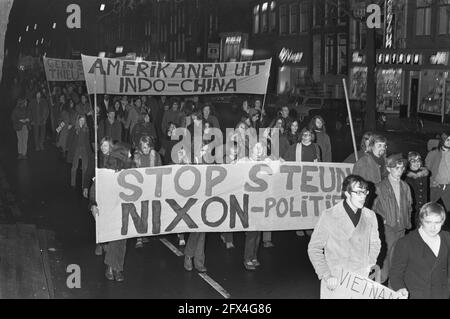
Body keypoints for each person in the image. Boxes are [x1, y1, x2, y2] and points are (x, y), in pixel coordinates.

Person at [308, 175, 382, 299]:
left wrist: (369, 264)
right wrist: (326, 275)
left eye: (365, 192)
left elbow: (375, 243)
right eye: (358, 192)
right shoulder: (329, 216)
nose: (363, 196)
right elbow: (314, 248)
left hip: (360, 281)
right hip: (336, 280)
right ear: (347, 193)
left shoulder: (370, 216)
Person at [89, 142, 133, 282]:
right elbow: (95, 189)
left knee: (122, 240)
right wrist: (93, 204)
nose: (131, 155)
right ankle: (113, 267)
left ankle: (116, 267)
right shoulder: (106, 173)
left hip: (125, 209)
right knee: (115, 238)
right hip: (110, 209)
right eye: (128, 154)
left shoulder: (131, 172)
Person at [390, 202, 450, 299]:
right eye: (428, 222)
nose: (433, 227)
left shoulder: (447, 238)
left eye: (437, 222)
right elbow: (395, 274)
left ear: (443, 221)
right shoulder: (406, 243)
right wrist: (400, 288)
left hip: (442, 294)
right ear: (421, 221)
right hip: (417, 295)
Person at [373, 153, 412, 284]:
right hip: (387, 228)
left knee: (398, 258)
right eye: (396, 168)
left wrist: (407, 220)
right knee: (385, 258)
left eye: (402, 168)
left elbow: (410, 206)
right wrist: (381, 221)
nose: (400, 171)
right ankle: (377, 285)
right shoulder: (379, 187)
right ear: (389, 168)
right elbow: (372, 209)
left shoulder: (405, 186)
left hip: (401, 227)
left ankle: (393, 287)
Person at [133, 135, 162, 249]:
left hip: (153, 187)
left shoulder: (155, 156)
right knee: (143, 212)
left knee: (154, 210)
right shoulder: (137, 157)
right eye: (144, 147)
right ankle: (139, 237)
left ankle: (149, 232)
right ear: (140, 147)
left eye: (148, 147)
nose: (146, 149)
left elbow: (160, 170)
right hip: (141, 189)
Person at [425, 131, 450, 223]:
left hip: (448, 188)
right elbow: (426, 170)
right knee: (432, 212)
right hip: (436, 187)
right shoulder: (434, 154)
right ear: (442, 140)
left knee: (447, 216)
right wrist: (432, 181)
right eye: (448, 140)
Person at [405, 151, 429, 229]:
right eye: (413, 161)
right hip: (412, 207)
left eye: (418, 161)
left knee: (422, 224)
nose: (416, 163)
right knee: (412, 226)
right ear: (409, 163)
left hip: (423, 205)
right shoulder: (406, 177)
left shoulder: (424, 175)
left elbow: (426, 192)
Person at [67, 115, 92, 188]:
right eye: (81, 120)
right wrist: (69, 150)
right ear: (78, 120)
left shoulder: (86, 129)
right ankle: (72, 183)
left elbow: (88, 141)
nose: (82, 122)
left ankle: (83, 184)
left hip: (84, 149)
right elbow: (70, 140)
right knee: (74, 166)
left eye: (83, 120)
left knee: (85, 167)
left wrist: (89, 151)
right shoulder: (74, 129)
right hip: (76, 148)